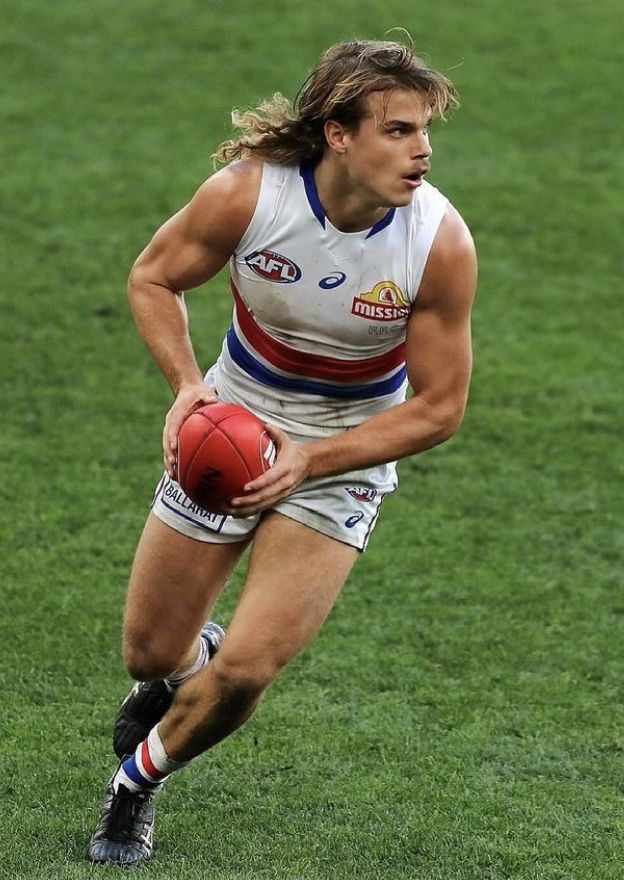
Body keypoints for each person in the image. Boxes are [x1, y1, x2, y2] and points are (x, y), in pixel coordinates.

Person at [87, 37, 477, 867]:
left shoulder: (437, 241)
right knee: (152, 653)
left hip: (346, 448)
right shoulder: (247, 195)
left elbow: (441, 409)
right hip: (234, 420)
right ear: (338, 134)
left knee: (249, 669)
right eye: (399, 130)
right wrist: (190, 388)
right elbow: (154, 277)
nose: (423, 150)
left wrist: (311, 461)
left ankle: (134, 787)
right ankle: (178, 670)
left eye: (425, 131)